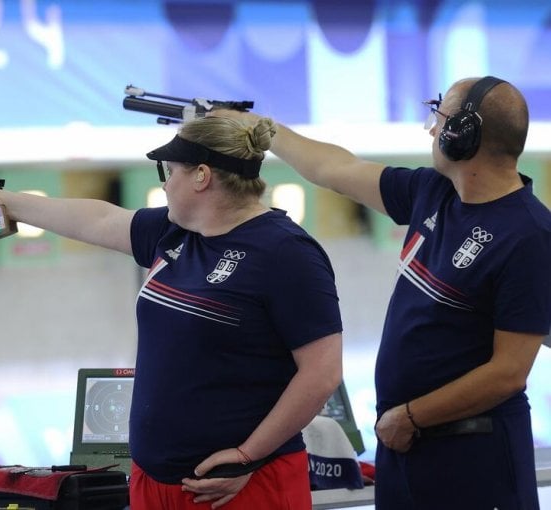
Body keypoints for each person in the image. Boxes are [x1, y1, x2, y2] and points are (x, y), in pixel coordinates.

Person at [0, 115, 343, 509]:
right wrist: (9, 203)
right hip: (155, 479)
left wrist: (249, 454)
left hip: (237, 485)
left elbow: (322, 372)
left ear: (201, 176)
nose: (164, 183)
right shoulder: (174, 231)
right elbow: (100, 219)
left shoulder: (287, 253)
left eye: (170, 171)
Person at [212, 76, 551, 509]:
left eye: (440, 116)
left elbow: (508, 372)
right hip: (409, 444)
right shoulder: (434, 193)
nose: (432, 129)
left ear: (463, 133)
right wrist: (260, 127)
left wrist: (409, 416)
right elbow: (335, 169)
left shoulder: (528, 235)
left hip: (471, 453)